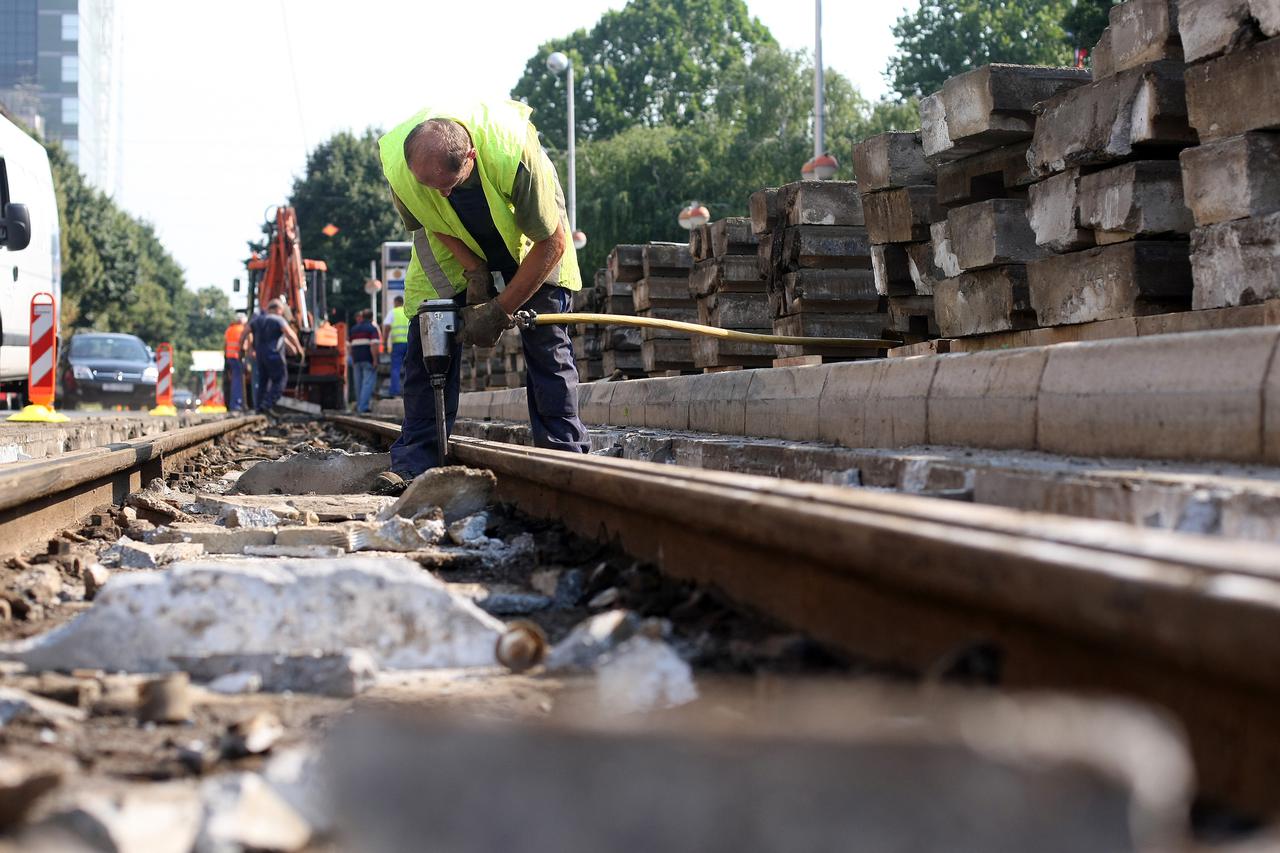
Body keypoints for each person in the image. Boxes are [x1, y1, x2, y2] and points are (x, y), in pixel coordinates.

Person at [369, 100, 589, 494]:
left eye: (451, 184)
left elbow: (550, 243)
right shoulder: (399, 166)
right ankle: (416, 462)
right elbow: (429, 220)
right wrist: (475, 269)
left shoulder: (514, 156)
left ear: (470, 155)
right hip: (453, 248)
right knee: (427, 343)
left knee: (547, 342)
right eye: (433, 187)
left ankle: (565, 457)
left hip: (529, 243)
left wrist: (500, 310)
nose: (444, 193)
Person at [241, 298, 302, 413]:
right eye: (282, 311)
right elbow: (290, 334)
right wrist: (299, 349)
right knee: (280, 380)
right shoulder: (278, 319)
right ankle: (267, 404)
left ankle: (259, 408)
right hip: (274, 356)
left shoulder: (257, 319)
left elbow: (244, 332)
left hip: (260, 356)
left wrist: (242, 348)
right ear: (278, 309)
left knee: (263, 382)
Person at [349, 309, 381, 413]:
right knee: (367, 383)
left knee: (358, 383)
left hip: (356, 359)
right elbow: (374, 345)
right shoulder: (372, 328)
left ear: (362, 317)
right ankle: (363, 407)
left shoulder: (353, 329)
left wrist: (353, 358)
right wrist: (375, 360)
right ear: (372, 317)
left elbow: (350, 347)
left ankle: (359, 405)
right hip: (368, 359)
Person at [383, 295, 410, 397]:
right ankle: (409, 391)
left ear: (396, 302)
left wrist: (385, 342)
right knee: (410, 367)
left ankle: (395, 391)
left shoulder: (393, 312)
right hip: (409, 343)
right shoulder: (407, 311)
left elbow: (387, 327)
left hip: (398, 344)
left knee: (395, 368)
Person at [222, 312, 247, 411]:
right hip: (237, 357)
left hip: (229, 357)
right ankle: (237, 404)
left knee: (233, 381)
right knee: (237, 381)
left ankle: (234, 404)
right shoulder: (242, 330)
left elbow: (225, 344)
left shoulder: (230, 329)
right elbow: (244, 345)